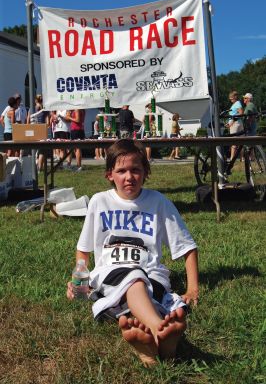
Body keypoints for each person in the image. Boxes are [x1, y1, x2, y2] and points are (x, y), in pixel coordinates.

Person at [67, 139, 199, 367]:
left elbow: (187, 247)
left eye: (135, 169)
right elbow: (83, 249)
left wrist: (193, 289)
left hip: (153, 277)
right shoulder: (100, 202)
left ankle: (149, 353)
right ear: (110, 175)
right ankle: (161, 332)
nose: (129, 176)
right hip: (110, 274)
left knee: (140, 284)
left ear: (146, 172)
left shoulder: (158, 202)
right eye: (121, 171)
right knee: (134, 280)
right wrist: (78, 282)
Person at [227, 91, 244, 160]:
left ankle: (232, 158)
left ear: (235, 97)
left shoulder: (237, 104)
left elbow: (241, 113)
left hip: (235, 123)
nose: (231, 100)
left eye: (231, 99)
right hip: (237, 122)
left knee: (233, 141)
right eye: (230, 99)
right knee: (241, 141)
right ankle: (242, 158)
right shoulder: (237, 104)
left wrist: (232, 122)